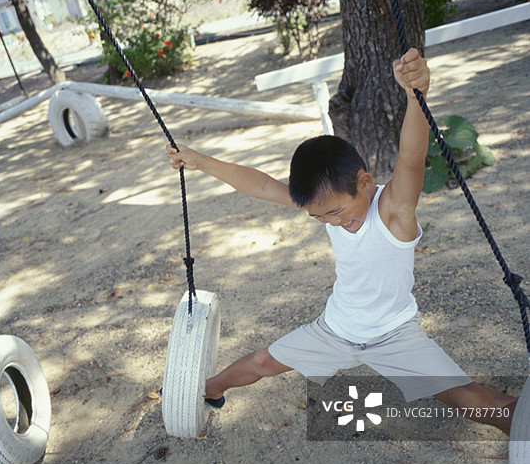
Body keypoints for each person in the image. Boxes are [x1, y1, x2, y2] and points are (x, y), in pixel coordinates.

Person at [167, 48, 516, 435]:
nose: (334, 222)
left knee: (468, 400)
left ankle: (519, 420)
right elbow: (263, 185)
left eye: (336, 213)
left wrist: (416, 95)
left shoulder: (393, 211)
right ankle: (210, 390)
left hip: (394, 335)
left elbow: (412, 160)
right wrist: (200, 160)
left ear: (364, 183)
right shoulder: (327, 203)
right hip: (335, 329)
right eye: (320, 217)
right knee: (261, 363)